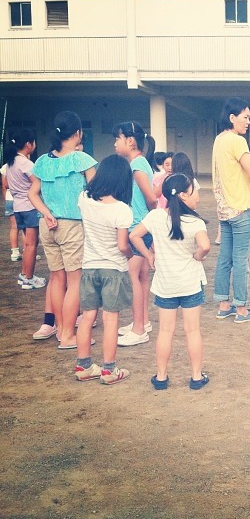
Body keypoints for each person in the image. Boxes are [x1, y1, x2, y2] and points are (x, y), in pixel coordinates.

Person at [130, 173, 211, 390]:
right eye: (194, 191)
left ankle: (161, 377)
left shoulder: (156, 217)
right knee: (192, 330)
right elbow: (205, 246)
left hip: (165, 284)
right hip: (190, 283)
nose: (198, 196)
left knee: (165, 331)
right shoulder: (194, 221)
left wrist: (149, 256)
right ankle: (196, 377)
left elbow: (134, 236)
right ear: (184, 195)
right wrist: (197, 257)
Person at [28, 111, 97, 349]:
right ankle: (68, 335)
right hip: (72, 225)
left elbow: (32, 194)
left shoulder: (42, 161)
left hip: (47, 225)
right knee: (75, 280)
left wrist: (46, 213)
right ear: (78, 133)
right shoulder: (82, 160)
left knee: (56, 278)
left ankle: (59, 330)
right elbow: (96, 192)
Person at [74, 155, 134, 385]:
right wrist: (131, 254)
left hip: (89, 267)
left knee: (87, 316)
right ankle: (109, 370)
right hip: (113, 270)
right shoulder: (122, 210)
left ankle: (83, 366)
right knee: (110, 319)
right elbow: (122, 246)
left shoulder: (84, 199)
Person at [212, 98, 250, 324]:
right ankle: (242, 309)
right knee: (240, 260)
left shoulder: (219, 140)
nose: (248, 121)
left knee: (225, 259)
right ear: (232, 118)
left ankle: (223, 305)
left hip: (225, 208)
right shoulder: (238, 141)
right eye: (245, 117)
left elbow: (233, 174)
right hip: (242, 209)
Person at [113, 121, 157, 347]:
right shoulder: (139, 163)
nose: (115, 143)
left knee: (133, 279)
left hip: (137, 230)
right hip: (141, 228)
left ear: (130, 141)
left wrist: (151, 223)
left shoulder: (137, 164)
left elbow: (151, 198)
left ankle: (139, 329)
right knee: (141, 277)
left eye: (117, 139)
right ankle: (143, 322)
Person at [5, 129, 46, 290]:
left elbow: (8, 184)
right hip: (30, 208)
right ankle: (29, 278)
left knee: (27, 244)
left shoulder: (10, 162)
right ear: (28, 144)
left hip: (18, 207)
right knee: (31, 245)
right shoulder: (26, 163)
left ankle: (24, 275)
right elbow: (38, 182)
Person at [1, 161, 22, 261]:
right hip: (22, 200)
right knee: (27, 228)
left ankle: (15, 252)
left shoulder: (5, 166)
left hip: (10, 199)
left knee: (14, 227)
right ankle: (28, 251)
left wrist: (7, 199)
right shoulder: (25, 164)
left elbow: (4, 185)